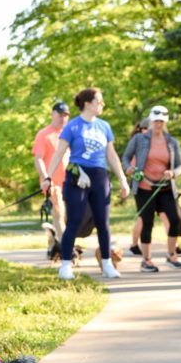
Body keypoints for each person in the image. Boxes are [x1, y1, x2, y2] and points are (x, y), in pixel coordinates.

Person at [45, 87, 130, 280]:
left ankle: (107, 264)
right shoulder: (72, 126)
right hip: (78, 177)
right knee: (74, 222)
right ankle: (66, 265)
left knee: (103, 223)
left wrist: (123, 179)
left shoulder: (104, 126)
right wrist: (48, 177)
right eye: (99, 101)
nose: (102, 105)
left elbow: (112, 155)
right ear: (87, 103)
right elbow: (59, 153)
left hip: (100, 177)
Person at [121, 105, 181, 272]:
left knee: (176, 219)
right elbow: (126, 158)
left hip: (165, 188)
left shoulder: (172, 142)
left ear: (165, 122)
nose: (158, 124)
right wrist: (128, 168)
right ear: (151, 121)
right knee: (147, 222)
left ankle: (171, 256)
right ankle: (146, 260)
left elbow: (180, 165)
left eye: (161, 121)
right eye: (156, 121)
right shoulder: (139, 139)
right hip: (144, 187)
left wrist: (172, 172)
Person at [32, 100, 70, 242]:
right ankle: (67, 249)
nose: (63, 118)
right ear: (53, 114)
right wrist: (45, 178)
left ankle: (53, 244)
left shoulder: (69, 134)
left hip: (70, 183)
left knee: (64, 216)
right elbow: (38, 158)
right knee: (59, 215)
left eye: (66, 115)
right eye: (60, 115)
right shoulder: (44, 134)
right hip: (53, 183)